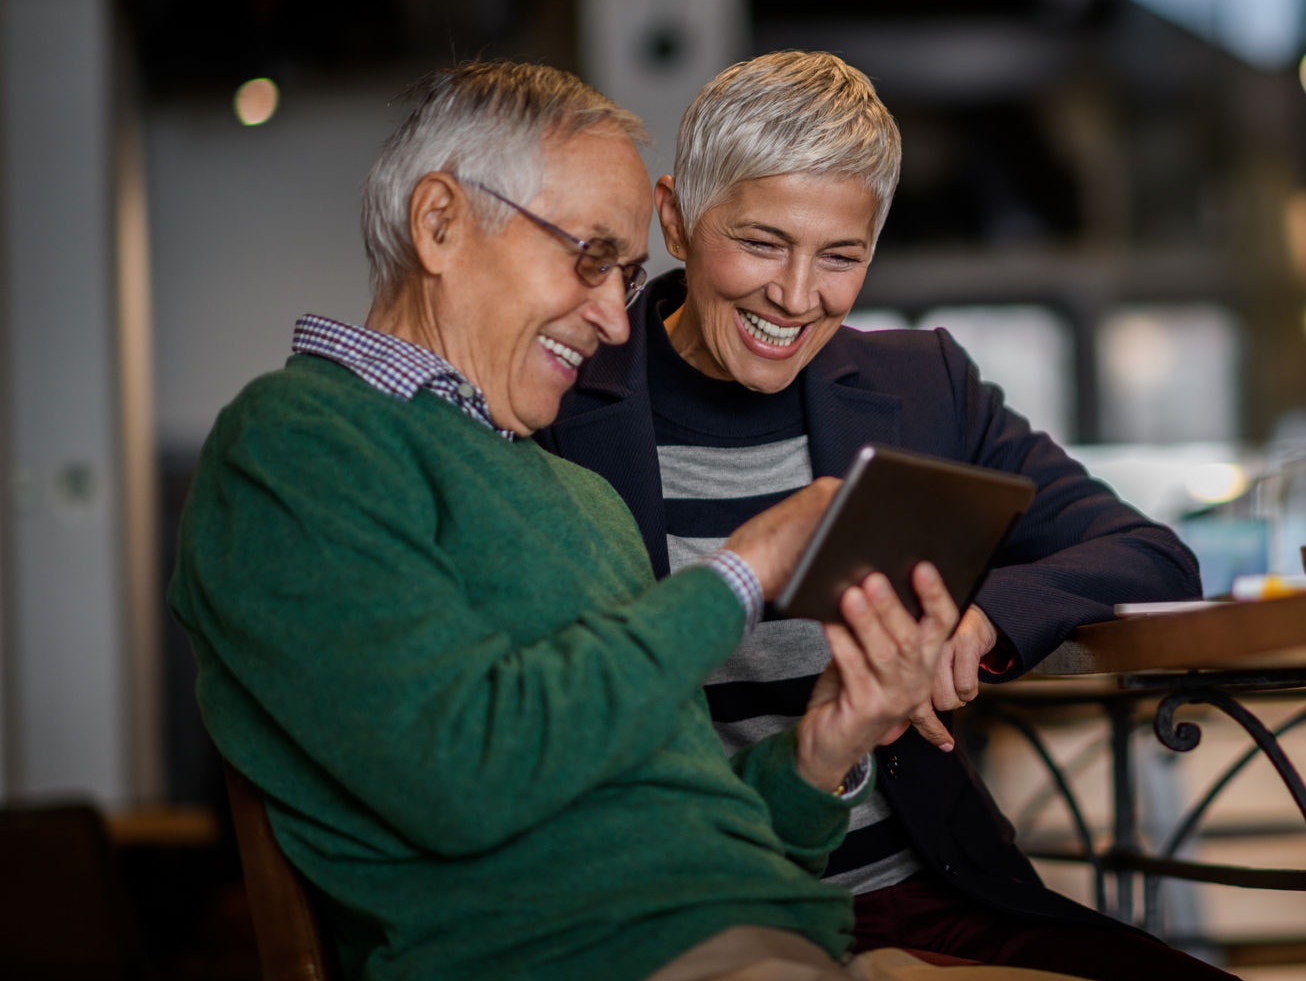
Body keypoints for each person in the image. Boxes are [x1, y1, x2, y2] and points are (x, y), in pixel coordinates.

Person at [168, 59, 1089, 981]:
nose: (618, 319)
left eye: (629, 272)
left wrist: (822, 754)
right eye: (588, 258)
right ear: (441, 222)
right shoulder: (298, 445)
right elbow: (465, 781)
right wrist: (737, 575)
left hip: (787, 944)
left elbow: (687, 836)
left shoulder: (580, 497)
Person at [537, 49, 1242, 981]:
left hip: (928, 889)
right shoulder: (558, 405)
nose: (796, 297)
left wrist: (983, 615)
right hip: (692, 912)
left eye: (841, 256)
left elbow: (1150, 554)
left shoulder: (923, 385)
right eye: (760, 241)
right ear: (673, 216)